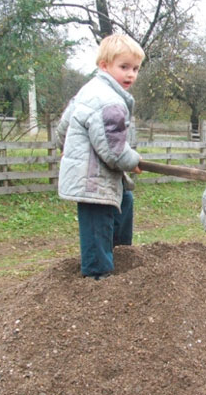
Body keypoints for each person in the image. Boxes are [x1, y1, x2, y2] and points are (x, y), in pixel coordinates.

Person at [56, 34, 144, 279]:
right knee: (97, 225)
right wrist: (133, 161)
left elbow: (64, 125)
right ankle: (97, 275)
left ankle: (119, 257)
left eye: (135, 69)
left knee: (125, 201)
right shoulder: (108, 100)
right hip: (92, 179)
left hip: (97, 174)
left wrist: (63, 145)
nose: (131, 75)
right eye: (124, 67)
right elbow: (114, 150)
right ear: (104, 65)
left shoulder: (88, 92)